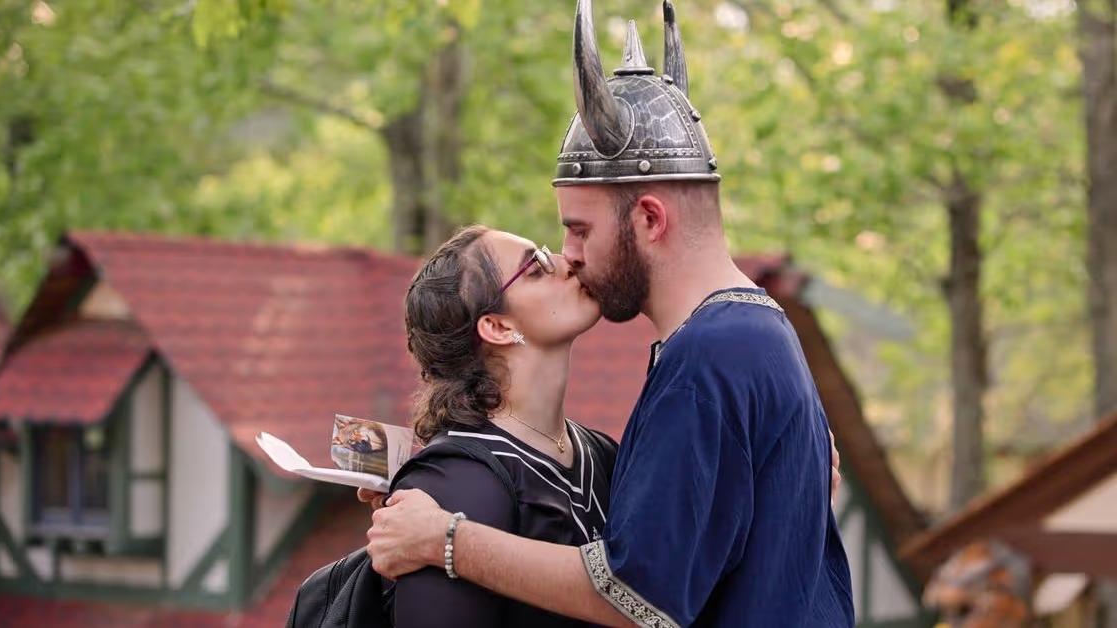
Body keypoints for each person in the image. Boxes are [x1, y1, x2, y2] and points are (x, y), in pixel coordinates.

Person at [363, 2, 855, 627]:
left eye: (577, 229)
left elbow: (635, 595)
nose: (570, 256)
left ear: (649, 218)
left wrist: (446, 539)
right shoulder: (755, 331)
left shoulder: (711, 354)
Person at [388, 224, 621, 628]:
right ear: (497, 326)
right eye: (536, 268)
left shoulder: (602, 453)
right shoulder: (454, 481)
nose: (568, 264)